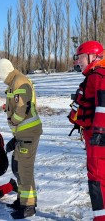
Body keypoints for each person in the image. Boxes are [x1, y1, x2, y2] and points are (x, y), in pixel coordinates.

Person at [0, 58, 42, 219]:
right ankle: (24, 199)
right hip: (22, 133)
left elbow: (23, 108)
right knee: (18, 167)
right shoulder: (14, 81)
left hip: (27, 132)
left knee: (24, 169)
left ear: (4, 70)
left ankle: (28, 206)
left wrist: (13, 121)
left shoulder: (19, 82)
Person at [68, 40, 105, 221]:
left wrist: (99, 133)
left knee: (97, 179)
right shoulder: (92, 76)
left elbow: (102, 107)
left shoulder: (98, 76)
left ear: (93, 56)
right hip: (93, 135)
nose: (78, 61)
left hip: (98, 139)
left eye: (81, 57)